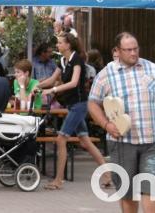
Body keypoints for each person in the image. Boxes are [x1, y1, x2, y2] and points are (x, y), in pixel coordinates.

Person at [88, 32, 155, 212]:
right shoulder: (106, 74)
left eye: (135, 49)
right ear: (117, 51)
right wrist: (106, 125)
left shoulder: (153, 69)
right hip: (121, 143)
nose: (133, 53)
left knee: (151, 188)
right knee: (127, 192)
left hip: (153, 141)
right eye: (128, 50)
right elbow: (92, 103)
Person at [38, 32, 110, 190]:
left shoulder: (76, 59)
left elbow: (74, 82)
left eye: (59, 43)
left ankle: (58, 180)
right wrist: (36, 86)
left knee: (61, 139)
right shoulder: (63, 61)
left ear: (68, 45)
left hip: (79, 104)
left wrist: (52, 90)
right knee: (86, 141)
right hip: (72, 105)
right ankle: (108, 174)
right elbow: (51, 79)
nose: (57, 45)